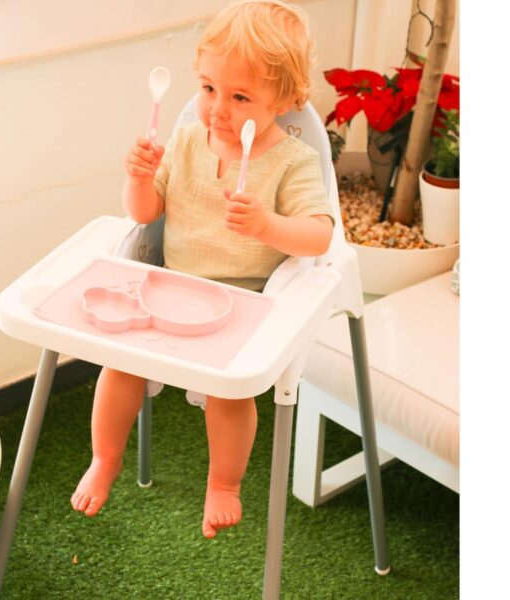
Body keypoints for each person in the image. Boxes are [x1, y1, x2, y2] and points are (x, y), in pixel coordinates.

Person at [71, 0, 335, 539]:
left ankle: (223, 483)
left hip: (243, 306)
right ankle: (105, 459)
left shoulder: (294, 161)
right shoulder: (188, 141)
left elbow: (320, 235)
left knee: (229, 393)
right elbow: (145, 214)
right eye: (209, 88)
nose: (217, 109)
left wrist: (266, 225)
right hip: (167, 290)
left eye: (240, 97)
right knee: (119, 365)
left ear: (287, 99)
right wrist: (138, 179)